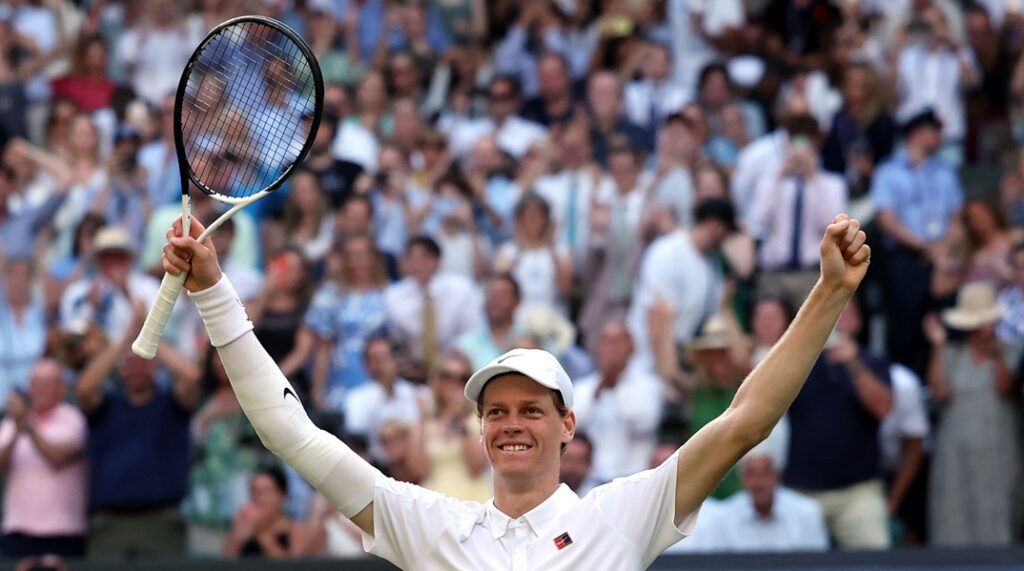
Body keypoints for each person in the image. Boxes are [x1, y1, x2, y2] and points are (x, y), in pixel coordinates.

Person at [158, 209, 870, 568]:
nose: (511, 423)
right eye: (496, 411)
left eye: (531, 408)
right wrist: (215, 292)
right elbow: (289, 433)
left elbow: (747, 420)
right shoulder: (431, 525)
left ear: (568, 424)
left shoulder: (622, 515)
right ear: (480, 428)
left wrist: (830, 294)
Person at [0, 359, 87, 559]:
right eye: (35, 383)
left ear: (62, 387)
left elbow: (57, 457)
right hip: (18, 530)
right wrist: (16, 430)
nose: (39, 390)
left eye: (46, 383)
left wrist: (27, 427)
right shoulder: (11, 423)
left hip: (64, 531)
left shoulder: (74, 418)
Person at [701, 451, 829, 552]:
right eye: (751, 474)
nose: (758, 482)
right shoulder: (725, 516)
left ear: (777, 476)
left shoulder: (807, 512)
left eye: (765, 473)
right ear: (742, 479)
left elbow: (817, 563)